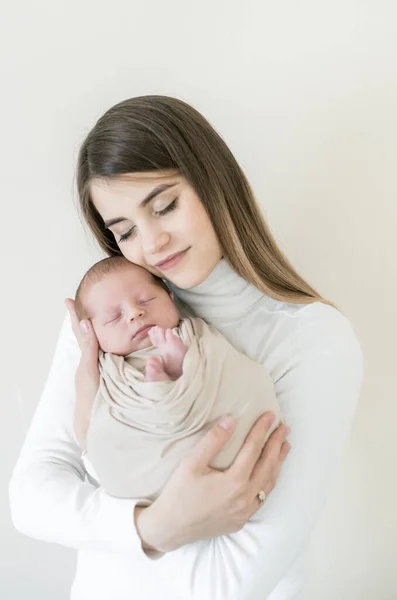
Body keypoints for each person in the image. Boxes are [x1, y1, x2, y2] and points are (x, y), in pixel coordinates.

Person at [9, 95, 363, 600]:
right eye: (125, 231)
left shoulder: (313, 341)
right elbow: (30, 498)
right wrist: (154, 527)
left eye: (165, 206)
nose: (151, 243)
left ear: (213, 181)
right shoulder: (109, 321)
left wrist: (111, 521)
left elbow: (230, 582)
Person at [73, 255, 282, 500]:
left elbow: (231, 371)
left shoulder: (195, 334)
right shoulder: (107, 372)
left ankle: (176, 372)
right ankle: (163, 384)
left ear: (171, 299)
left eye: (146, 300)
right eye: (114, 317)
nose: (134, 313)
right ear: (93, 333)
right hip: (156, 473)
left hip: (236, 441)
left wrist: (192, 366)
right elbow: (101, 438)